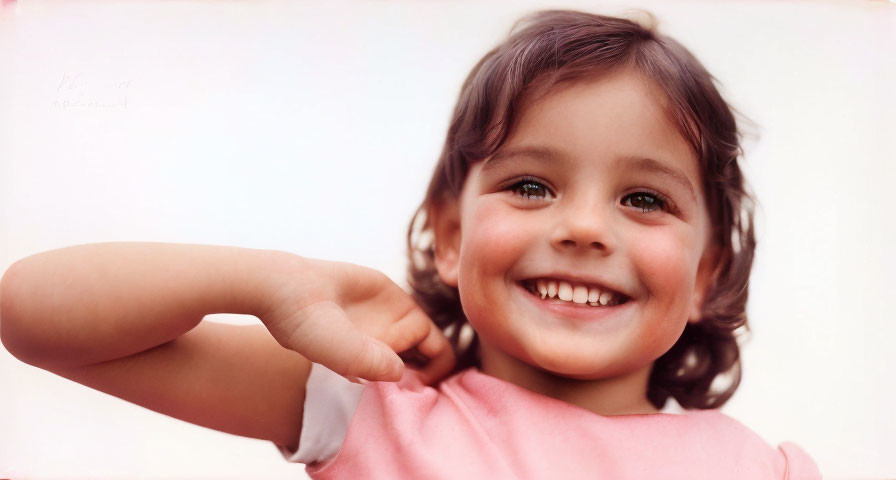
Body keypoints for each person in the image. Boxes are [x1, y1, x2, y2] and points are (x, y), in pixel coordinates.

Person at [0, 9, 821, 479]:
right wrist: (267, 282)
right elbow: (32, 314)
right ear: (450, 234)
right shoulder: (371, 404)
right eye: (531, 185)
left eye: (643, 199)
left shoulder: (766, 473)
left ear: (709, 269)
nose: (581, 227)